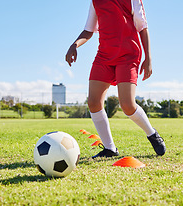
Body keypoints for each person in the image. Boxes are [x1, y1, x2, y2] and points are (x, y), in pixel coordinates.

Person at [65, 0, 165, 158]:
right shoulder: (95, 2)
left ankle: (152, 134)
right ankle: (110, 148)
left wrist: (148, 58)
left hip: (128, 54)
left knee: (127, 105)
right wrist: (74, 45)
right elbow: (88, 30)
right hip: (104, 56)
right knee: (93, 102)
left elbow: (142, 27)